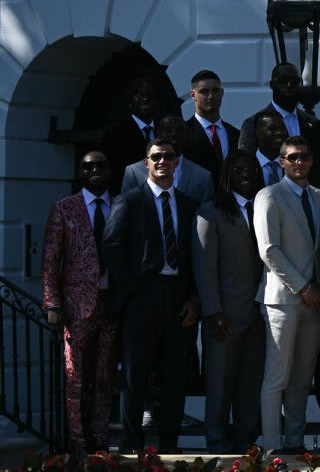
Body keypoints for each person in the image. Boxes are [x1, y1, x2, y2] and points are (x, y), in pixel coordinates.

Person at [103, 139, 200, 453]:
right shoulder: (129, 201)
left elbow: (196, 256)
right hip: (141, 297)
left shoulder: (187, 204)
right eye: (156, 157)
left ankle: (170, 446)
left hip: (178, 299)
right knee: (135, 376)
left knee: (174, 376)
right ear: (146, 163)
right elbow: (112, 247)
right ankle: (131, 446)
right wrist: (131, 290)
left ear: (176, 162)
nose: (162, 162)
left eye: (168, 157)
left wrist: (193, 298)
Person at [254, 136, 320, 455]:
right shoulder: (268, 196)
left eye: (304, 156)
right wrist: (303, 287)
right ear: (282, 162)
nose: (299, 162)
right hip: (282, 299)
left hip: (316, 301)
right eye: (292, 157)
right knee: (277, 377)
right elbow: (268, 249)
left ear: (311, 161)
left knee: (302, 377)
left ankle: (295, 442)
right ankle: (272, 445)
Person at [42, 151, 118, 453]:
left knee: (104, 375)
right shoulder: (65, 208)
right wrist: (53, 304)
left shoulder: (121, 204)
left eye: (101, 165)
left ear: (110, 170)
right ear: (80, 172)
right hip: (76, 306)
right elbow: (50, 260)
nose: (95, 170)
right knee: (75, 376)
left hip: (112, 303)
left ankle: (100, 438)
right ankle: (78, 441)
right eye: (89, 167)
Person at [192, 149, 266, 453]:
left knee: (251, 384)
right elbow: (204, 266)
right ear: (227, 176)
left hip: (259, 313)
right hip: (224, 314)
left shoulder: (266, 207)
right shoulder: (210, 211)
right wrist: (212, 310)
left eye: (250, 168)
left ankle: (245, 443)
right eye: (238, 169)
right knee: (220, 385)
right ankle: (217, 444)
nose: (246, 173)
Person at [121, 114, 213, 204]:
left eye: (179, 130)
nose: (174, 134)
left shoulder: (203, 177)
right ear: (158, 134)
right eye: (168, 130)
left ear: (187, 136)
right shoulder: (133, 172)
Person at [239, 63, 316, 155]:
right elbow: (245, 160)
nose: (289, 85)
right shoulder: (253, 123)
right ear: (272, 85)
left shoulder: (310, 121)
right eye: (283, 81)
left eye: (295, 81)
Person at [184, 70, 241, 180]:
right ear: (193, 95)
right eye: (204, 91)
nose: (211, 96)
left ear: (222, 93)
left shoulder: (236, 134)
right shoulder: (184, 133)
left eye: (215, 91)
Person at [102, 78, 161, 178]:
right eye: (139, 95)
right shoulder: (116, 134)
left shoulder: (164, 130)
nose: (145, 99)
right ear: (130, 100)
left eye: (149, 95)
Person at [253, 110, 288, 187]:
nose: (279, 132)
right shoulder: (248, 165)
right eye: (272, 129)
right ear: (258, 133)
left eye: (282, 129)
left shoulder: (293, 164)